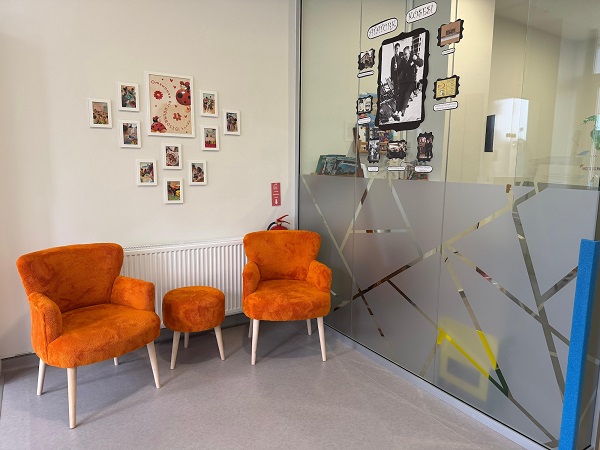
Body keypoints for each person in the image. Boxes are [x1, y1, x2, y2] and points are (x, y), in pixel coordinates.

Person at [390, 44, 423, 119]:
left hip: (412, 82)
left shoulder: (413, 58)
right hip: (404, 81)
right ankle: (397, 111)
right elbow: (398, 71)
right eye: (404, 54)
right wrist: (396, 68)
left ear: (409, 53)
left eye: (406, 54)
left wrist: (416, 59)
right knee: (400, 94)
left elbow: (421, 63)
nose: (405, 56)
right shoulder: (402, 61)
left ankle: (401, 112)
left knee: (406, 94)